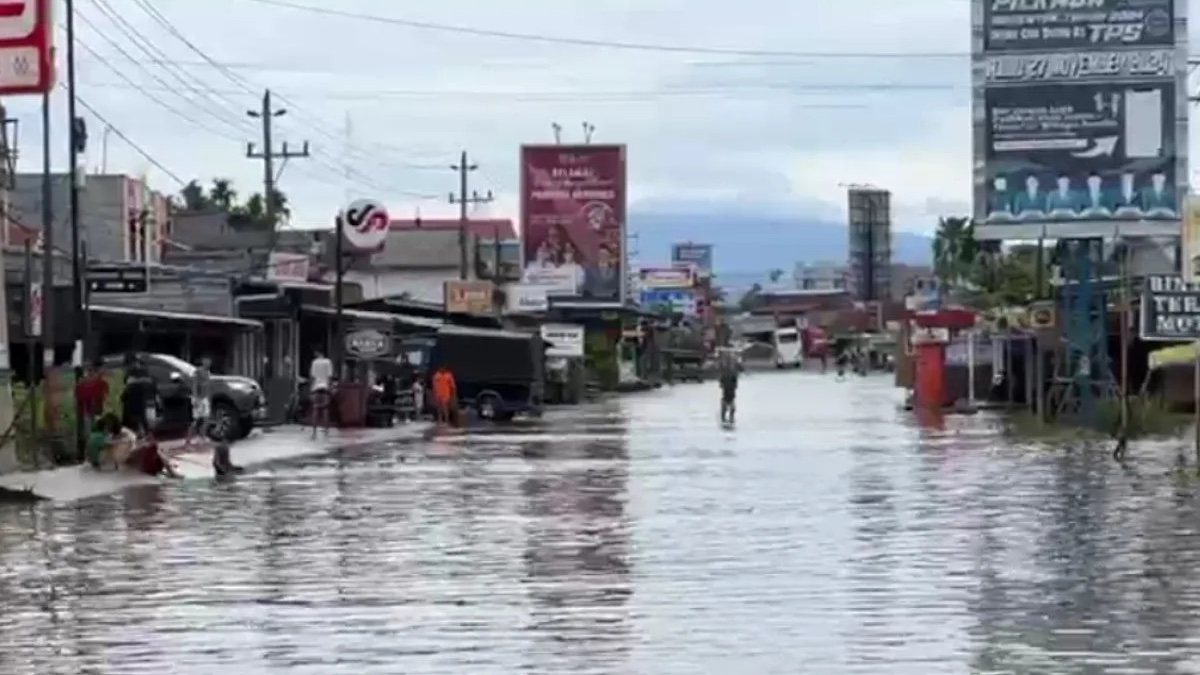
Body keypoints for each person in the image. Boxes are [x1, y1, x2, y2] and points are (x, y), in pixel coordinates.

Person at [121, 353, 156, 438]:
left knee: (140, 420)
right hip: (132, 402)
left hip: (137, 401)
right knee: (137, 421)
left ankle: (143, 435)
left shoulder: (139, 372)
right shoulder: (131, 372)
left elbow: (149, 384)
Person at [184, 355, 213, 447]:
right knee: (196, 420)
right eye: (206, 360)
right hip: (198, 398)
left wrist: (208, 398)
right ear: (203, 361)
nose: (208, 362)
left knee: (206, 418)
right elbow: (195, 385)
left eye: (209, 361)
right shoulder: (198, 372)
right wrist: (195, 398)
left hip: (205, 398)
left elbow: (208, 387)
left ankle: (202, 437)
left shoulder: (208, 372)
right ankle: (188, 439)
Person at [75, 359, 109, 434]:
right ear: (99, 368)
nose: (105, 370)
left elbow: (78, 394)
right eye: (103, 368)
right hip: (95, 409)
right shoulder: (101, 381)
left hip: (87, 411)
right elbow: (104, 397)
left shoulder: (84, 380)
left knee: (90, 430)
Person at [309, 350, 334, 437]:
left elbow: (312, 377)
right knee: (325, 409)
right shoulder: (328, 362)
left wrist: (311, 390)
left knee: (315, 409)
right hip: (325, 387)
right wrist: (331, 388)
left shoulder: (314, 362)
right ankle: (326, 430)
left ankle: (314, 431)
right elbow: (329, 376)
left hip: (316, 387)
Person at [717, 348, 739, 424]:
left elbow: (721, 383)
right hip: (728, 390)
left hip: (728, 390)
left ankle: (727, 417)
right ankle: (726, 417)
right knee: (729, 405)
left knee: (729, 406)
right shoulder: (729, 372)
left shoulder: (729, 372)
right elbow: (735, 382)